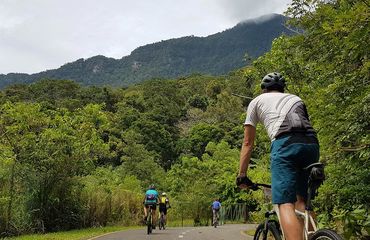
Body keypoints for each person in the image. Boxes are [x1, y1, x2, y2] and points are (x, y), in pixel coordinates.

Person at [236, 72, 319, 240]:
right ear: (283, 89)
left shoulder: (256, 101)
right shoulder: (296, 99)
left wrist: (242, 176)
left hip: (285, 145)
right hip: (312, 145)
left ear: (264, 90)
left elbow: (247, 143)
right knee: (301, 201)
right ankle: (314, 236)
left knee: (285, 204)